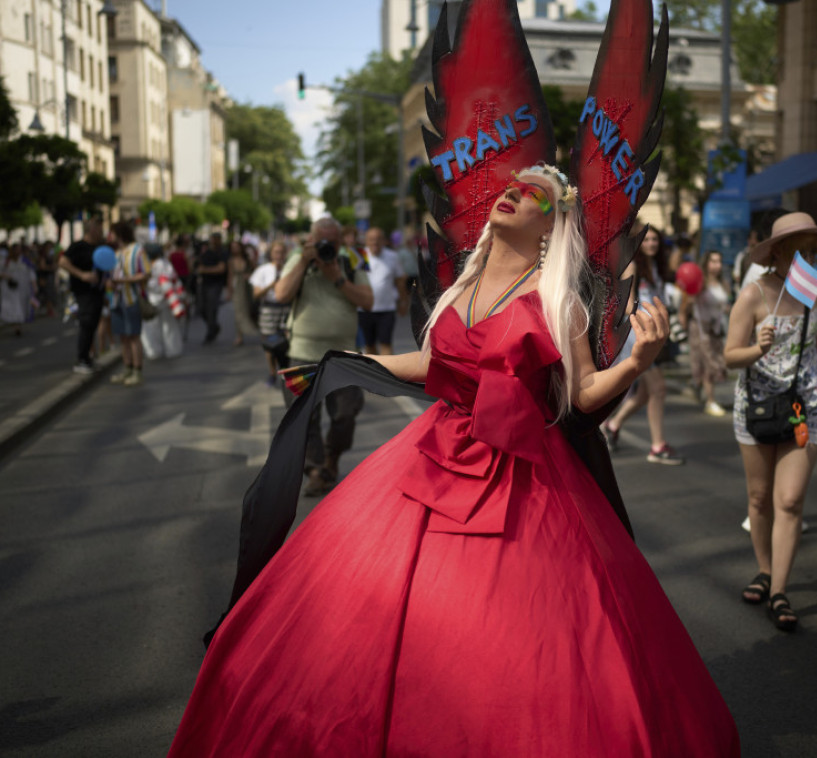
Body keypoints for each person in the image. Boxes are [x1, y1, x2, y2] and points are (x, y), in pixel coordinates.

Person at [168, 164, 739, 756]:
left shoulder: (557, 300)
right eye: (511, 187)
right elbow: (429, 364)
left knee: (511, 637)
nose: (513, 194)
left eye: (533, 195)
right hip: (430, 453)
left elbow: (583, 393)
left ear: (552, 224)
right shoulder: (460, 290)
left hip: (523, 476)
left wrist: (635, 363)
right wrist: (344, 362)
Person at [725, 212, 817, 632]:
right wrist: (757, 348)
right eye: (798, 245)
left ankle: (779, 591)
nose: (807, 253)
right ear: (776, 251)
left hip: (803, 406)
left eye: (812, 246)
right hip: (756, 404)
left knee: (789, 500)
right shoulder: (754, 294)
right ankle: (764, 569)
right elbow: (729, 355)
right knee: (759, 497)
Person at [274, 217, 374, 497]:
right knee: (304, 418)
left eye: (333, 241)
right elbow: (281, 294)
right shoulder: (297, 257)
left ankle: (331, 461)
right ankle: (316, 470)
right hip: (302, 353)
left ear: (341, 240)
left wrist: (338, 279)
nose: (328, 246)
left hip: (343, 353)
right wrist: (305, 261)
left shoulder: (353, 259)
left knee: (346, 413)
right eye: (322, 242)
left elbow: (368, 301)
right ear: (311, 240)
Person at [602, 226, 686, 464]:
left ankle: (613, 424)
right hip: (641, 335)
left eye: (655, 239)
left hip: (656, 334)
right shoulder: (633, 265)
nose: (651, 243)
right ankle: (658, 446)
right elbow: (628, 305)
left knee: (645, 393)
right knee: (658, 389)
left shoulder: (656, 268)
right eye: (647, 239)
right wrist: (643, 325)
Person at [686, 249, 730, 416]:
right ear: (706, 263)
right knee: (708, 365)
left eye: (719, 261)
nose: (716, 265)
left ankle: (696, 384)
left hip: (717, 330)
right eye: (713, 261)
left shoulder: (723, 283)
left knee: (716, 363)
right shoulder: (700, 282)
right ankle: (710, 401)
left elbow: (723, 304)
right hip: (701, 329)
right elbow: (688, 302)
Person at [58, 217, 106, 373]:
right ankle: (82, 360)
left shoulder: (99, 247)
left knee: (93, 324)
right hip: (83, 292)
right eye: (99, 229)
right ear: (92, 230)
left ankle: (88, 357)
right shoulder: (78, 246)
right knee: (86, 323)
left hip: (97, 291)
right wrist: (81, 275)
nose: (102, 232)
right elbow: (63, 262)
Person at [107, 222, 150, 387]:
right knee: (123, 336)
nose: (110, 237)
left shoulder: (137, 250)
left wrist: (124, 280)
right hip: (117, 299)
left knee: (133, 335)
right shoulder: (116, 254)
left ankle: (137, 371)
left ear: (120, 234)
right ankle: (127, 368)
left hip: (132, 298)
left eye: (112, 233)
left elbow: (146, 274)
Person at [358, 226, 409, 355]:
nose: (375, 242)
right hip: (364, 309)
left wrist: (403, 302)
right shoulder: (360, 256)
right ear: (366, 241)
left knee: (386, 343)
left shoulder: (392, 256)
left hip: (386, 309)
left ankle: (386, 373)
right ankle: (372, 373)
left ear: (384, 241)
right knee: (369, 345)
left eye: (378, 239)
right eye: (371, 239)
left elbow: (400, 280)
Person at [249, 239, 290, 387]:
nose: (279, 255)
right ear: (271, 254)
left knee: (287, 341)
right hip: (269, 309)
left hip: (285, 308)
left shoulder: (289, 269)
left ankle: (286, 370)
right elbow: (256, 294)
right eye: (276, 252)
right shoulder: (263, 270)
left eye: (281, 252)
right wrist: (271, 286)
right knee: (269, 344)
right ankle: (272, 372)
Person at [141, 242, 184, 360]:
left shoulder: (151, 266)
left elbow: (153, 284)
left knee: (151, 327)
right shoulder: (165, 264)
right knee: (169, 326)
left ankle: (154, 351)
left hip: (154, 299)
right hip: (166, 299)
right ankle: (173, 349)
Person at [195, 232, 228, 345]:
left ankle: (211, 331)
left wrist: (205, 270)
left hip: (215, 284)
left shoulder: (222, 253)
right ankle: (213, 326)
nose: (213, 242)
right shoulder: (206, 252)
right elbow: (197, 265)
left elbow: (221, 269)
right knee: (202, 309)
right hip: (204, 283)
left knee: (211, 309)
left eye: (215, 239)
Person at [227, 239, 258, 346]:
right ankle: (239, 335)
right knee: (238, 311)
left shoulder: (247, 259)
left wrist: (250, 275)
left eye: (236, 246)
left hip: (247, 287)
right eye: (233, 247)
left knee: (249, 308)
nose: (235, 249)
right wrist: (229, 290)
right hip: (237, 287)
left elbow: (256, 269)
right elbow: (230, 276)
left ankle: (254, 328)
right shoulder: (231, 261)